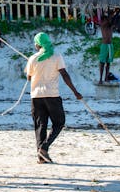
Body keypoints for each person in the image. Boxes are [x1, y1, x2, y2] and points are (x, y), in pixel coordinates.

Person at [25, 32, 82, 164]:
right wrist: (75, 92)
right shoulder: (56, 56)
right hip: (52, 95)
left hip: (36, 96)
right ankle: (43, 149)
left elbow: (29, 78)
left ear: (38, 44)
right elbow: (64, 74)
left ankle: (41, 154)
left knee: (40, 125)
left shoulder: (32, 58)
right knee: (59, 122)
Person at [99, 12, 114, 84]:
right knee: (102, 62)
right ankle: (100, 79)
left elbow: (112, 22)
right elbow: (108, 21)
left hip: (110, 46)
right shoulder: (103, 25)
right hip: (104, 45)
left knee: (108, 63)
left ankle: (106, 78)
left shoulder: (110, 25)